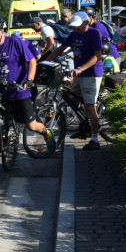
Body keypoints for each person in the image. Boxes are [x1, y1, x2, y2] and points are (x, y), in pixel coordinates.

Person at [0, 17, 55, 153]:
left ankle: (47, 133)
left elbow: (32, 62)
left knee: (31, 125)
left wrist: (29, 80)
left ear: (2, 32)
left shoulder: (15, 43)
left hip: (19, 91)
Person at [44, 12, 103, 150]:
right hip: (79, 73)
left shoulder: (94, 34)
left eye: (78, 26)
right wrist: (46, 63)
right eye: (74, 26)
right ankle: (85, 124)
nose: (76, 29)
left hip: (91, 73)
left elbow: (97, 56)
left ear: (86, 23)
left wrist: (81, 69)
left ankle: (94, 138)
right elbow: (59, 49)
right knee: (72, 99)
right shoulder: (74, 34)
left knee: (90, 106)